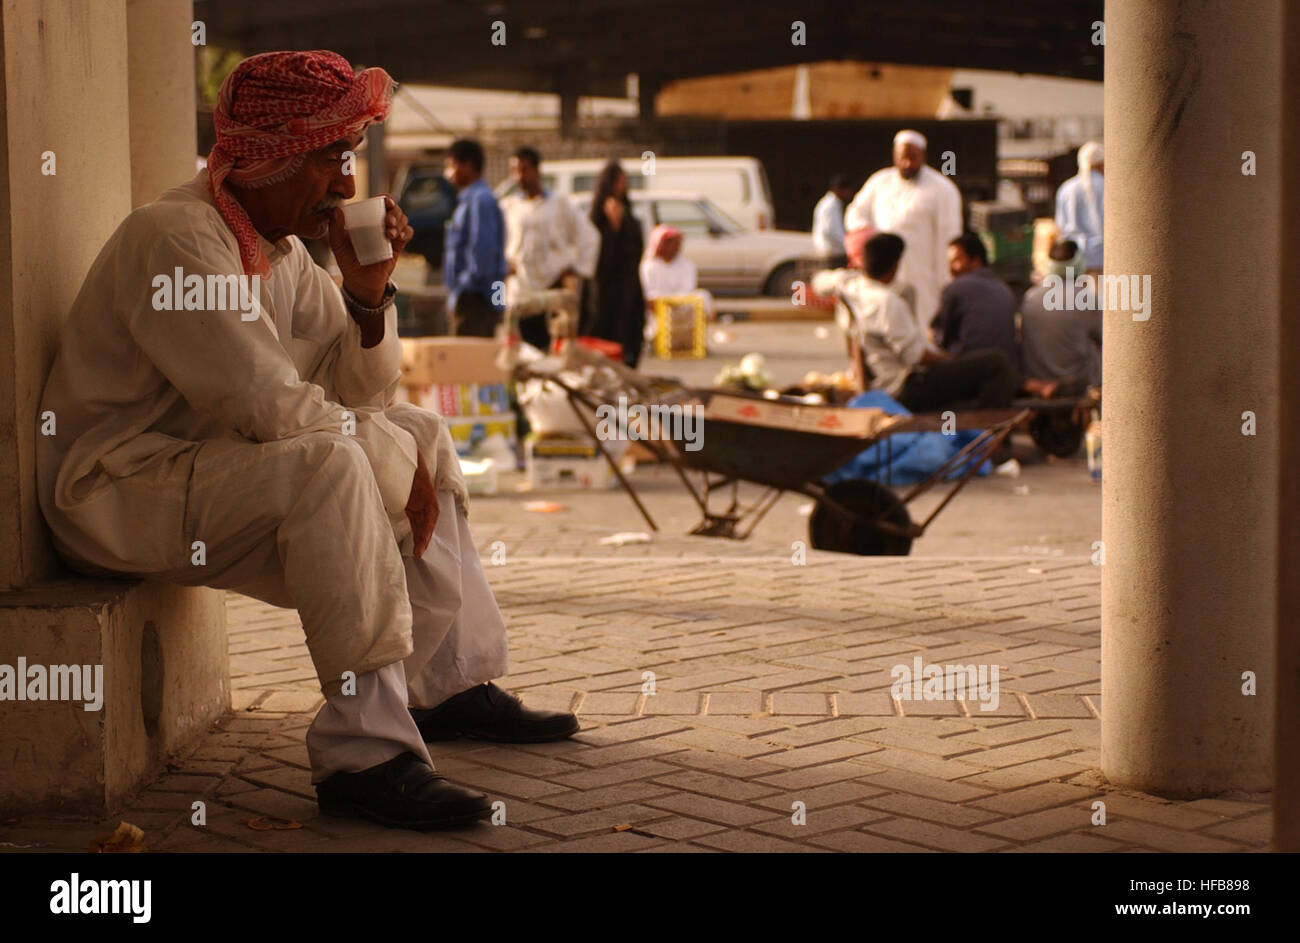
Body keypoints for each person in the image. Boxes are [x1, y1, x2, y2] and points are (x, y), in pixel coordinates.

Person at [36, 51, 579, 832]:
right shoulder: (179, 240)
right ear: (271, 157)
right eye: (332, 158)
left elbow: (363, 393)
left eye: (348, 158)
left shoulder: (282, 252)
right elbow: (270, 408)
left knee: (421, 431)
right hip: (114, 490)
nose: (349, 186)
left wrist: (366, 295)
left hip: (202, 469)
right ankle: (364, 757)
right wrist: (392, 468)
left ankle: (444, 684)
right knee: (332, 464)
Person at [812, 233, 1055, 414]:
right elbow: (916, 356)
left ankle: (1027, 389)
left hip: (887, 378)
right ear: (895, 265)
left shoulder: (850, 285)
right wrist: (950, 360)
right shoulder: (887, 303)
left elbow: (819, 282)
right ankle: (989, 437)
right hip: (905, 387)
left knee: (981, 363)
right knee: (995, 362)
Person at [844, 129, 963, 332]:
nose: (908, 163)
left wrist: (947, 280)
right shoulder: (879, 182)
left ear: (923, 156)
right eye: (903, 158)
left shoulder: (942, 189)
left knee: (922, 325)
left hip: (923, 276)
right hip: (883, 273)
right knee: (882, 324)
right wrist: (865, 238)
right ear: (894, 156)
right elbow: (855, 214)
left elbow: (949, 237)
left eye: (913, 158)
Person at [500, 146, 599, 352]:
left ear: (537, 171)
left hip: (552, 287)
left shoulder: (559, 203)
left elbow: (590, 237)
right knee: (523, 349)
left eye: (524, 170)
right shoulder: (509, 206)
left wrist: (575, 269)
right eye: (515, 171)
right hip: (522, 288)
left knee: (554, 347)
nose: (520, 176)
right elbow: (501, 243)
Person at [583, 161, 646, 366]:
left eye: (623, 182)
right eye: (617, 182)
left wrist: (620, 226)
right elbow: (596, 254)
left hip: (627, 287)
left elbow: (635, 248)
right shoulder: (596, 217)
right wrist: (612, 227)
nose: (621, 187)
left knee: (628, 333)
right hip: (604, 289)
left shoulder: (628, 213)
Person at [442, 138, 506, 337]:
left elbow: (483, 252)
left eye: (452, 165)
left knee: (470, 361)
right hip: (471, 296)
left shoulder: (481, 201)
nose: (449, 173)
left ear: (468, 165)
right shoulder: (469, 200)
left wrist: (465, 288)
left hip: (476, 298)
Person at [1021, 239, 1102, 390]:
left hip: (1038, 379)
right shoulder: (1085, 298)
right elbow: (1104, 336)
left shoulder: (1030, 296)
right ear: (1079, 263)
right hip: (1077, 383)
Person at [931, 232, 1020, 368]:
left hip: (970, 372)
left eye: (956, 261)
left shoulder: (955, 288)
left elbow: (942, 337)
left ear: (976, 261)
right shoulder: (1004, 288)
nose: (951, 269)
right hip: (1005, 372)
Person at [1055, 141, 1104, 274]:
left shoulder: (1066, 188)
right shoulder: (1107, 187)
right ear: (1101, 163)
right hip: (1103, 257)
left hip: (1074, 258)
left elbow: (1060, 228)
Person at [812, 173, 853, 268]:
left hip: (827, 250)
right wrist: (848, 245)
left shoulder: (826, 203)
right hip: (831, 253)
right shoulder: (832, 205)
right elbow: (832, 231)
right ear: (841, 190)